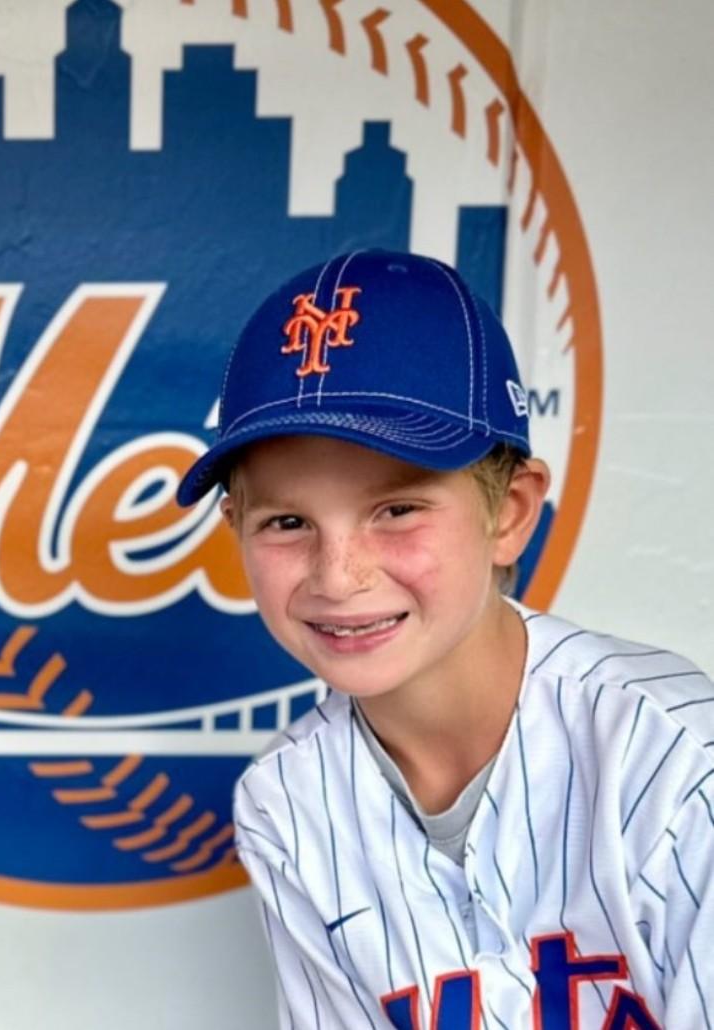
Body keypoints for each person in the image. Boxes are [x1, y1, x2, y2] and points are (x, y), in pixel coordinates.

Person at [176, 250, 714, 1028]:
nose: (339, 574)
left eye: (396, 509)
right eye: (287, 523)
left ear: (511, 513)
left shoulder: (673, 757)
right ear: (237, 531)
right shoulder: (287, 802)